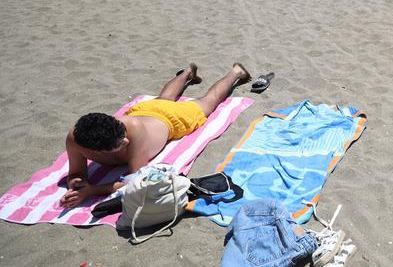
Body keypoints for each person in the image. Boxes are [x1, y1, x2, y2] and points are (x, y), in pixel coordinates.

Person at [59, 63, 252, 208]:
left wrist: (92, 190)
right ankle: (187, 73)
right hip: (145, 111)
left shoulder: (132, 131)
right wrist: (76, 183)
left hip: (170, 119)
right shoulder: (75, 139)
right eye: (119, 144)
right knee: (164, 99)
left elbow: (135, 180)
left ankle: (236, 71)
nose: (125, 141)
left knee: (208, 102)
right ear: (98, 150)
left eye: (123, 135)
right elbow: (76, 173)